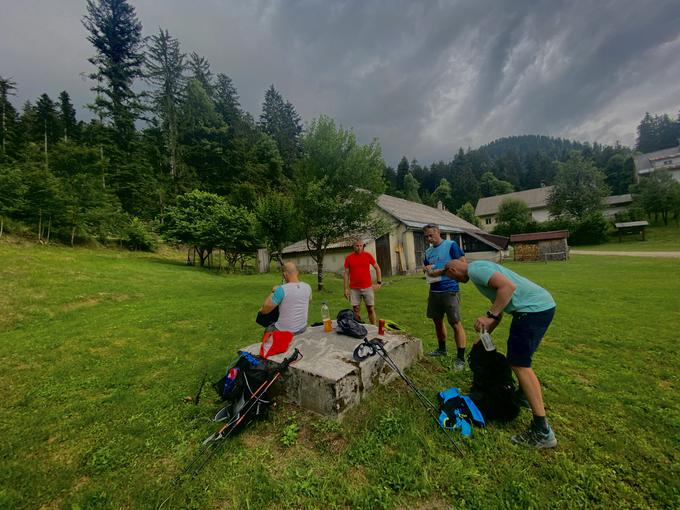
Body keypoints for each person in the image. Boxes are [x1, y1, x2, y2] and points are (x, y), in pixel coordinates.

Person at [444, 258, 557, 448]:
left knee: (520, 364)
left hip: (532, 310)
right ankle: (522, 396)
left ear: (453, 269)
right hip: (541, 306)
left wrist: (490, 316)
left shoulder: (475, 270)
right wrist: (483, 335)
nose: (454, 280)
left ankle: (542, 431)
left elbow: (508, 287)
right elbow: (500, 305)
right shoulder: (480, 269)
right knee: (520, 360)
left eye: (450, 276)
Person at [422, 224, 467, 370]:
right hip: (434, 291)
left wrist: (440, 272)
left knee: (455, 323)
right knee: (437, 322)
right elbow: (428, 269)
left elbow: (463, 265)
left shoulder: (451, 245)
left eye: (431, 235)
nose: (429, 239)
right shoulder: (427, 252)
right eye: (426, 237)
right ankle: (442, 349)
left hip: (450, 289)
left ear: (438, 232)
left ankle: (460, 358)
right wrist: (426, 269)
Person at [259, 262, 312, 335]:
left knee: (268, 329)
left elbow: (264, 310)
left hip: (284, 331)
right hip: (302, 328)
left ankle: (266, 345)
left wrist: (273, 291)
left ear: (285, 274)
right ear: (297, 273)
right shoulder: (307, 287)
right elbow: (309, 301)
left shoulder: (281, 289)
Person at [343, 239, 382, 324]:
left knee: (370, 308)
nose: (359, 248)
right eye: (357, 246)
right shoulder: (348, 258)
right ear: (353, 246)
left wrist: (379, 283)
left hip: (368, 287)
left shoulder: (368, 255)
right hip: (354, 289)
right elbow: (346, 274)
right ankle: (359, 328)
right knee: (356, 310)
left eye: (361, 246)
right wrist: (345, 289)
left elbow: (377, 268)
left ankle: (373, 328)